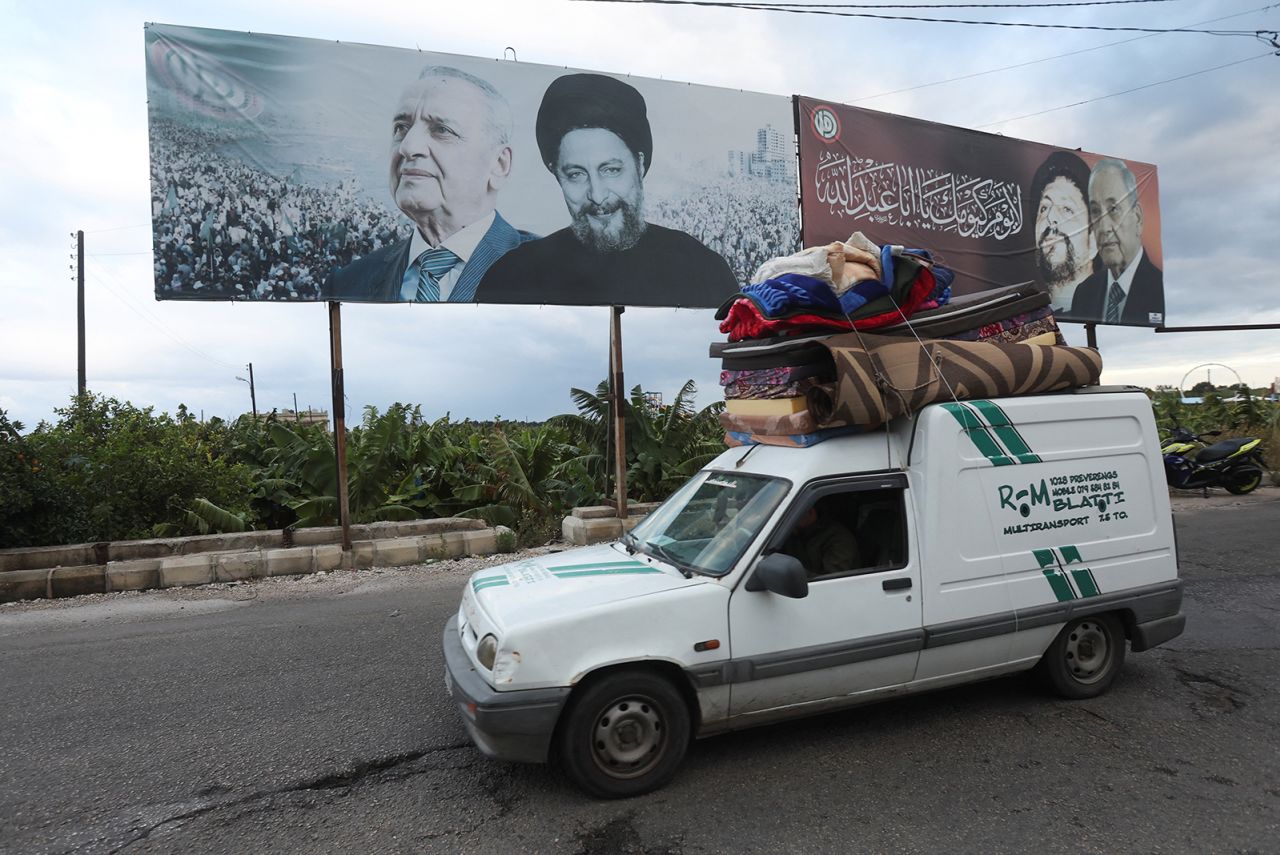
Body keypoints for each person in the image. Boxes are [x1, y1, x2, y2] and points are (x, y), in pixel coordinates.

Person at [474, 73, 738, 307]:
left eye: (611, 170)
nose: (598, 196)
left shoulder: (702, 269)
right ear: (557, 176)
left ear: (640, 164)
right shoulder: (514, 277)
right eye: (576, 174)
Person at [322, 66, 535, 303]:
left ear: (499, 164)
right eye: (401, 128)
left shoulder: (551, 273)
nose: (408, 147)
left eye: (442, 130)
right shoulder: (349, 282)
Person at [1068, 158, 1165, 326]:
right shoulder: (1084, 294)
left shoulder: (1159, 288)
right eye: (1096, 211)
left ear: (1138, 217)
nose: (1104, 227)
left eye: (1114, 209)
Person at [1027, 151, 1095, 315]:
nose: (1051, 218)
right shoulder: (1027, 316)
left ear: (1094, 240)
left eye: (1067, 209)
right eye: (1044, 208)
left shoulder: (1110, 306)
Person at [780, 505, 861, 578]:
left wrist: (796, 573)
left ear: (810, 512)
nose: (788, 521)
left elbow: (832, 579)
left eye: (792, 517)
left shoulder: (839, 539)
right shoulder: (793, 532)